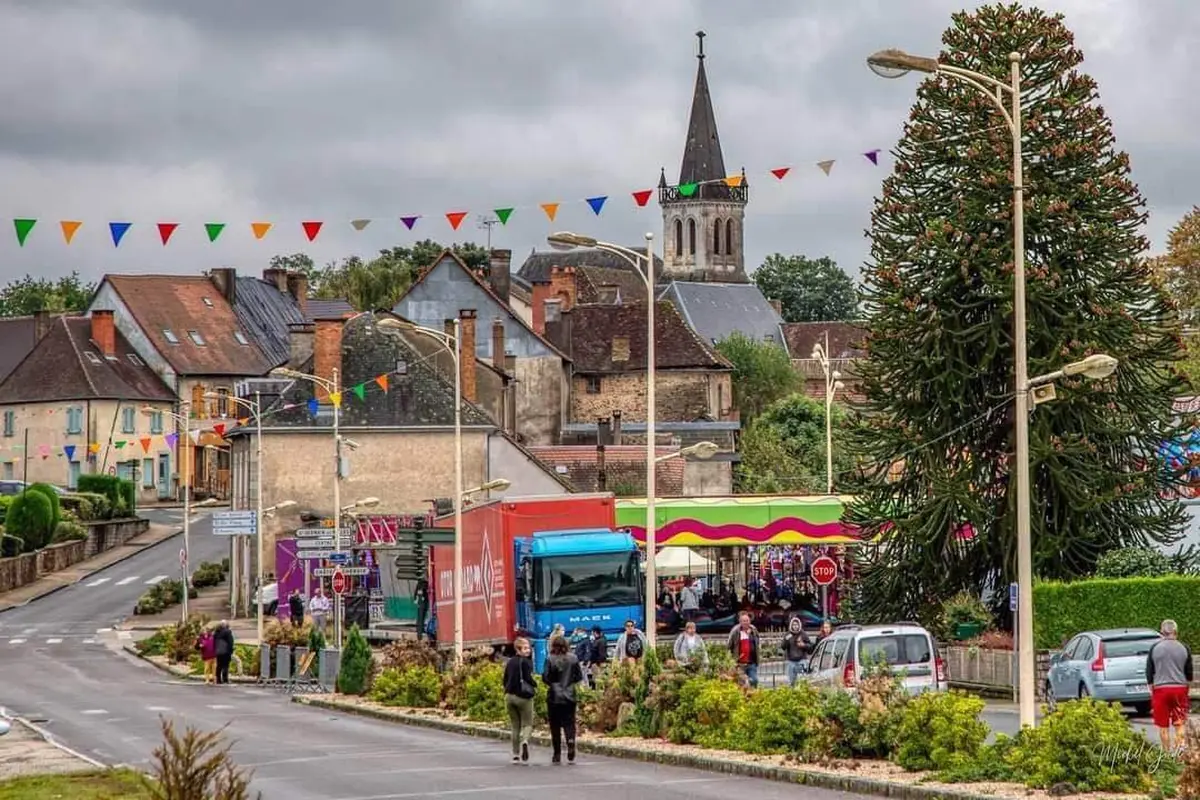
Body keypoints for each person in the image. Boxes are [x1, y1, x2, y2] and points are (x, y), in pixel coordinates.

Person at [1146, 618, 1193, 752]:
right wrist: (1186, 687)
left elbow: (1149, 671)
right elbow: (1189, 672)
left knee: (1163, 726)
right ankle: (1179, 753)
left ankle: (1166, 755)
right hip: (1180, 689)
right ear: (1175, 632)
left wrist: (1151, 687)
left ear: (1162, 632)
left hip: (1160, 690)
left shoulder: (1154, 648)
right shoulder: (1184, 647)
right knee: (1180, 722)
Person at [541, 635, 584, 765]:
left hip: (554, 695)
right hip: (569, 694)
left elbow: (546, 677)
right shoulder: (573, 658)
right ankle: (570, 740)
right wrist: (570, 682)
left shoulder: (550, 659)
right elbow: (579, 676)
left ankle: (557, 753)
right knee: (569, 722)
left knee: (555, 725)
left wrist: (553, 683)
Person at [503, 637, 536, 764]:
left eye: (528, 648)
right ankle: (525, 741)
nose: (528, 650)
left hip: (509, 697)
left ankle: (515, 755)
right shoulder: (526, 663)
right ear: (518, 649)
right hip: (524, 697)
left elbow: (505, 679)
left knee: (515, 726)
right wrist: (535, 684)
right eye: (525, 648)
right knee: (527, 724)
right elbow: (529, 679)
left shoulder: (510, 662)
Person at [727, 612, 760, 688]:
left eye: (747, 620)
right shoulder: (735, 631)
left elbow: (757, 643)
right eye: (744, 621)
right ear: (740, 622)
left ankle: (754, 694)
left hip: (751, 662)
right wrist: (731, 660)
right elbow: (729, 646)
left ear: (750, 621)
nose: (746, 622)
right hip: (739, 664)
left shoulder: (754, 630)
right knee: (741, 683)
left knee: (754, 680)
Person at [782, 616, 812, 686]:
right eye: (793, 625)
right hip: (791, 660)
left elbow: (810, 646)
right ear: (791, 625)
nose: (795, 626)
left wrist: (803, 645)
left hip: (802, 660)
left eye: (796, 625)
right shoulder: (788, 634)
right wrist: (786, 640)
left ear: (799, 625)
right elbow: (783, 647)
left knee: (802, 680)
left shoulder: (803, 634)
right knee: (792, 681)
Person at [213, 620, 235, 685]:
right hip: (226, 651)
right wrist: (231, 650)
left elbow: (213, 643)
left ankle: (218, 680)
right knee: (226, 665)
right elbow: (230, 642)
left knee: (219, 666)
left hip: (218, 651)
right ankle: (225, 679)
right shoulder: (228, 632)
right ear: (226, 625)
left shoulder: (216, 633)